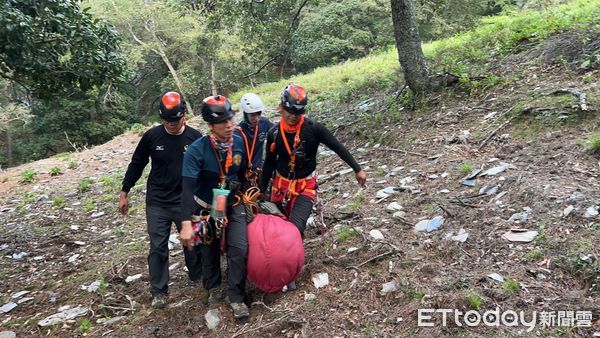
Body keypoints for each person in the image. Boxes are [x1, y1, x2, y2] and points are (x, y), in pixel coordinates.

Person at [258, 84, 367, 289]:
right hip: (280, 186)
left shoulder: (313, 129)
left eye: (299, 112)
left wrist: (357, 168)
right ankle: (276, 267)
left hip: (305, 185)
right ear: (281, 107)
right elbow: (269, 164)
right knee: (277, 229)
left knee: (296, 226)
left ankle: (290, 272)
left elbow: (337, 146)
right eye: (290, 111)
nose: (294, 116)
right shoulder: (274, 133)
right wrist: (261, 191)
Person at [119, 92, 203, 309]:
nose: (171, 125)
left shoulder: (195, 138)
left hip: (185, 200)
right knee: (157, 247)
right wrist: (124, 191)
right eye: (167, 121)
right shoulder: (151, 137)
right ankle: (159, 290)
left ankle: (198, 277)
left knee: (192, 241)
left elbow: (206, 169)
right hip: (157, 201)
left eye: (175, 120)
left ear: (184, 116)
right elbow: (137, 163)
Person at [179, 95, 251, 319]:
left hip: (231, 201)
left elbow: (244, 171)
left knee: (239, 248)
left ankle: (236, 296)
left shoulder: (239, 142)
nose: (229, 125)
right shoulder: (196, 151)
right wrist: (185, 224)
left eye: (231, 119)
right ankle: (212, 287)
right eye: (223, 122)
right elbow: (186, 189)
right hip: (206, 207)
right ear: (210, 126)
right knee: (209, 249)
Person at [234, 93, 274, 188]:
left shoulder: (264, 123)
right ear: (245, 114)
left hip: (259, 170)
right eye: (252, 115)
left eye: (258, 114)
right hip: (243, 174)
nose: (256, 119)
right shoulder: (238, 133)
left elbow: (278, 132)